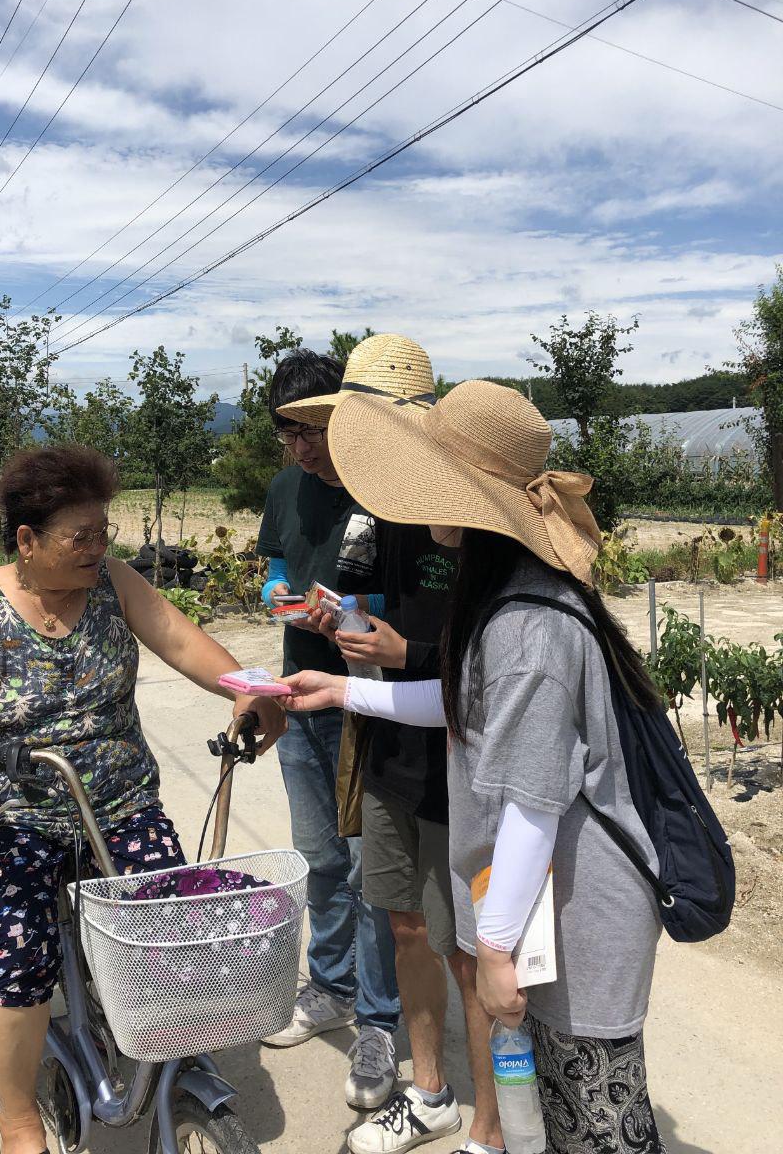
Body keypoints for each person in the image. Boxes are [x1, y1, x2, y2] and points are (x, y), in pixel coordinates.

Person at [283, 380, 668, 1154]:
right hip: (550, 901)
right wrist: (344, 689)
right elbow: (463, 704)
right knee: (559, 1114)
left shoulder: (525, 624)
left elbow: (531, 799)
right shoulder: (510, 596)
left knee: (597, 1120)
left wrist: (493, 951)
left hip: (580, 915)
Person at [0, 444, 286, 1154]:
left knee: (173, 924)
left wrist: (249, 688)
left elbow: (180, 638)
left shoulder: (113, 582)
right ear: (27, 540)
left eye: (102, 532)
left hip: (117, 801)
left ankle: (160, 1035)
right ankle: (19, 1117)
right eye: (79, 536)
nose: (98, 548)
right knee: (20, 957)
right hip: (10, 811)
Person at [280, 338, 502, 1154]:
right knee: (405, 923)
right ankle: (431, 1090)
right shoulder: (385, 513)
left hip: (455, 765)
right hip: (390, 753)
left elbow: (489, 664)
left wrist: (400, 654)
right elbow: (386, 606)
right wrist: (349, 627)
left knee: (472, 952)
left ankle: (491, 1124)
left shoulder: (467, 519)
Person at [255, 345, 400, 1111]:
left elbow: (400, 608)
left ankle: (380, 1018)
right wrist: (283, 593)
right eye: (289, 433)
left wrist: (347, 611)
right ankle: (332, 987)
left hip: (370, 705)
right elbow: (276, 563)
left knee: (369, 863)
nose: (301, 448)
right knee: (318, 855)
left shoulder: (385, 494)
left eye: (311, 430)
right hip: (299, 693)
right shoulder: (285, 488)